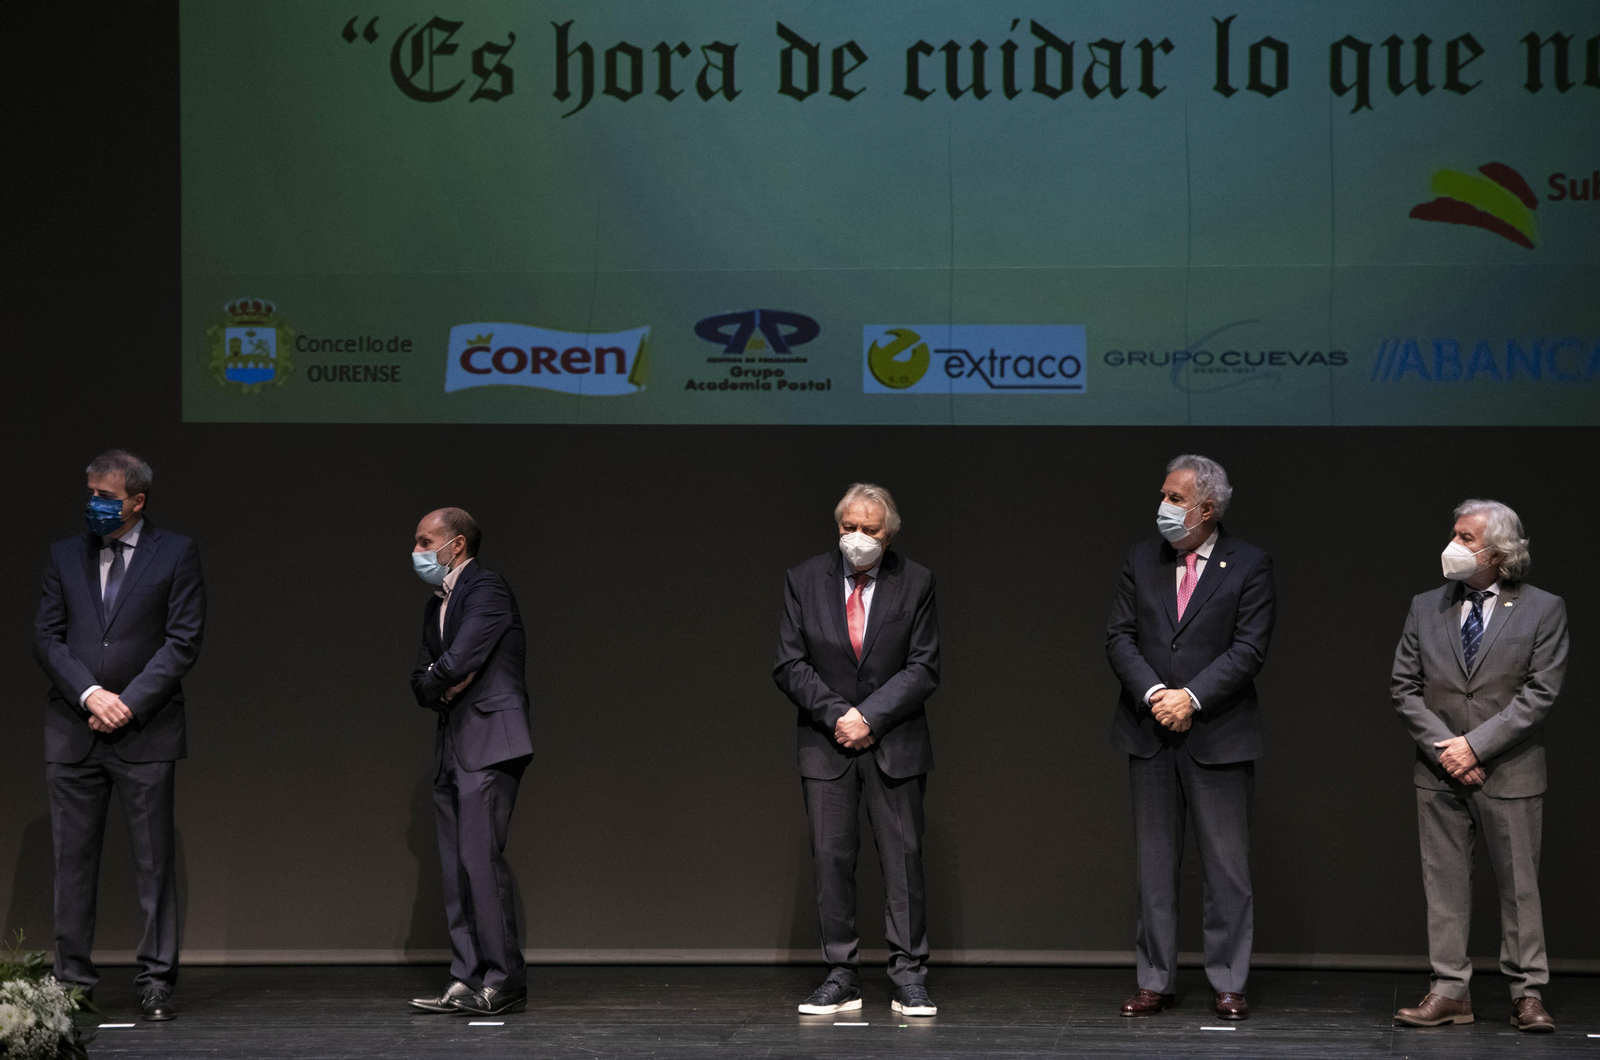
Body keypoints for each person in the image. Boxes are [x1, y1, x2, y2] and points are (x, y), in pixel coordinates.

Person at [33, 450, 205, 1021]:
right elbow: (48, 637)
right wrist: (91, 695)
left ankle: (156, 979)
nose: (95, 505)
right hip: (74, 728)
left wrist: (126, 703)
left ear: (137, 500)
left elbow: (182, 641)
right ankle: (71, 981)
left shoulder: (176, 552)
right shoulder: (64, 554)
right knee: (72, 863)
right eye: (91, 494)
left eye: (106, 496)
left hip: (145, 732)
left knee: (154, 864)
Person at [1105, 454, 1275, 1021]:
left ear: (1207, 508)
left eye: (1174, 499)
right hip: (1149, 732)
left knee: (1226, 869)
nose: (1163, 508)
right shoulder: (1140, 559)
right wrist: (1157, 696)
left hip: (1218, 733)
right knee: (1154, 866)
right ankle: (1154, 980)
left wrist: (1191, 698)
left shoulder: (1249, 563)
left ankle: (1229, 980)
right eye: (1163, 496)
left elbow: (1248, 649)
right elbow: (1119, 638)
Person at [1390, 500, 1565, 1034]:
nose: (1453, 546)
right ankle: (1449, 992)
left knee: (1519, 887)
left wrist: (1477, 746)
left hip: (1509, 770)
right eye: (1455, 534)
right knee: (1443, 885)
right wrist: (1450, 749)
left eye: (1466, 538)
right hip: (1439, 770)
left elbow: (1541, 692)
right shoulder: (1426, 605)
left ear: (1500, 552)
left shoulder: (1542, 608)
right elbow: (1403, 686)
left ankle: (1527, 993)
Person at [773, 483, 940, 1017]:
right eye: (850, 528)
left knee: (903, 863)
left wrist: (869, 716)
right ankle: (841, 975)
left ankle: (909, 977)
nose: (858, 539)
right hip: (827, 744)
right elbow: (789, 663)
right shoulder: (804, 580)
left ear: (888, 535)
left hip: (896, 742)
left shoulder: (915, 582)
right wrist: (839, 715)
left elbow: (924, 666)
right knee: (831, 861)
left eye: (870, 531)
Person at [406, 508, 533, 1017]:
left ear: (455, 546)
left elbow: (460, 661)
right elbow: (421, 680)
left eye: (423, 541)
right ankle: (466, 975)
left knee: (481, 860)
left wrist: (443, 674)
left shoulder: (487, 589)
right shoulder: (436, 604)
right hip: (452, 744)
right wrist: (442, 679)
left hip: (489, 740)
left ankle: (505, 980)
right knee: (456, 867)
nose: (416, 552)